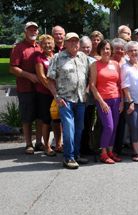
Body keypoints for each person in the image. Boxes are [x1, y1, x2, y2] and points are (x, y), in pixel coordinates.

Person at [46, 32, 91, 169]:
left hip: (81, 99)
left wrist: (88, 90)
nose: (74, 44)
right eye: (70, 41)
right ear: (65, 43)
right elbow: (50, 79)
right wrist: (57, 97)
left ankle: (76, 154)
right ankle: (68, 157)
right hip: (65, 100)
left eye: (76, 41)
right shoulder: (57, 58)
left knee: (79, 128)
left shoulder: (83, 57)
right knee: (69, 129)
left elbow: (90, 77)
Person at [9, 21, 42, 155]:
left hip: (41, 88)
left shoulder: (40, 47)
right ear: (25, 32)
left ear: (38, 32)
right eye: (30, 30)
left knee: (41, 116)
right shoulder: (19, 48)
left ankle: (39, 142)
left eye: (35, 30)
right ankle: (28, 144)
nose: (33, 32)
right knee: (27, 117)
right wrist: (28, 76)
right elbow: (12, 68)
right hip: (25, 88)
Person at [89, 40, 123, 164]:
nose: (106, 51)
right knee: (109, 127)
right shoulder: (95, 65)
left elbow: (120, 84)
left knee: (114, 128)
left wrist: (122, 101)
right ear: (100, 50)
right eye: (103, 48)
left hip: (117, 99)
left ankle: (110, 151)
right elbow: (92, 85)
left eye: (108, 48)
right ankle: (103, 153)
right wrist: (101, 102)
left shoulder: (115, 64)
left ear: (111, 50)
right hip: (103, 100)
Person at [33, 34, 56, 157]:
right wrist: (53, 91)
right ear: (41, 45)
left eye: (50, 43)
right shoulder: (39, 58)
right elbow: (42, 77)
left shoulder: (56, 56)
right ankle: (46, 146)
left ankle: (58, 144)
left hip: (57, 93)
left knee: (57, 120)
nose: (48, 45)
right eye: (45, 43)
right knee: (46, 120)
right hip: (45, 94)